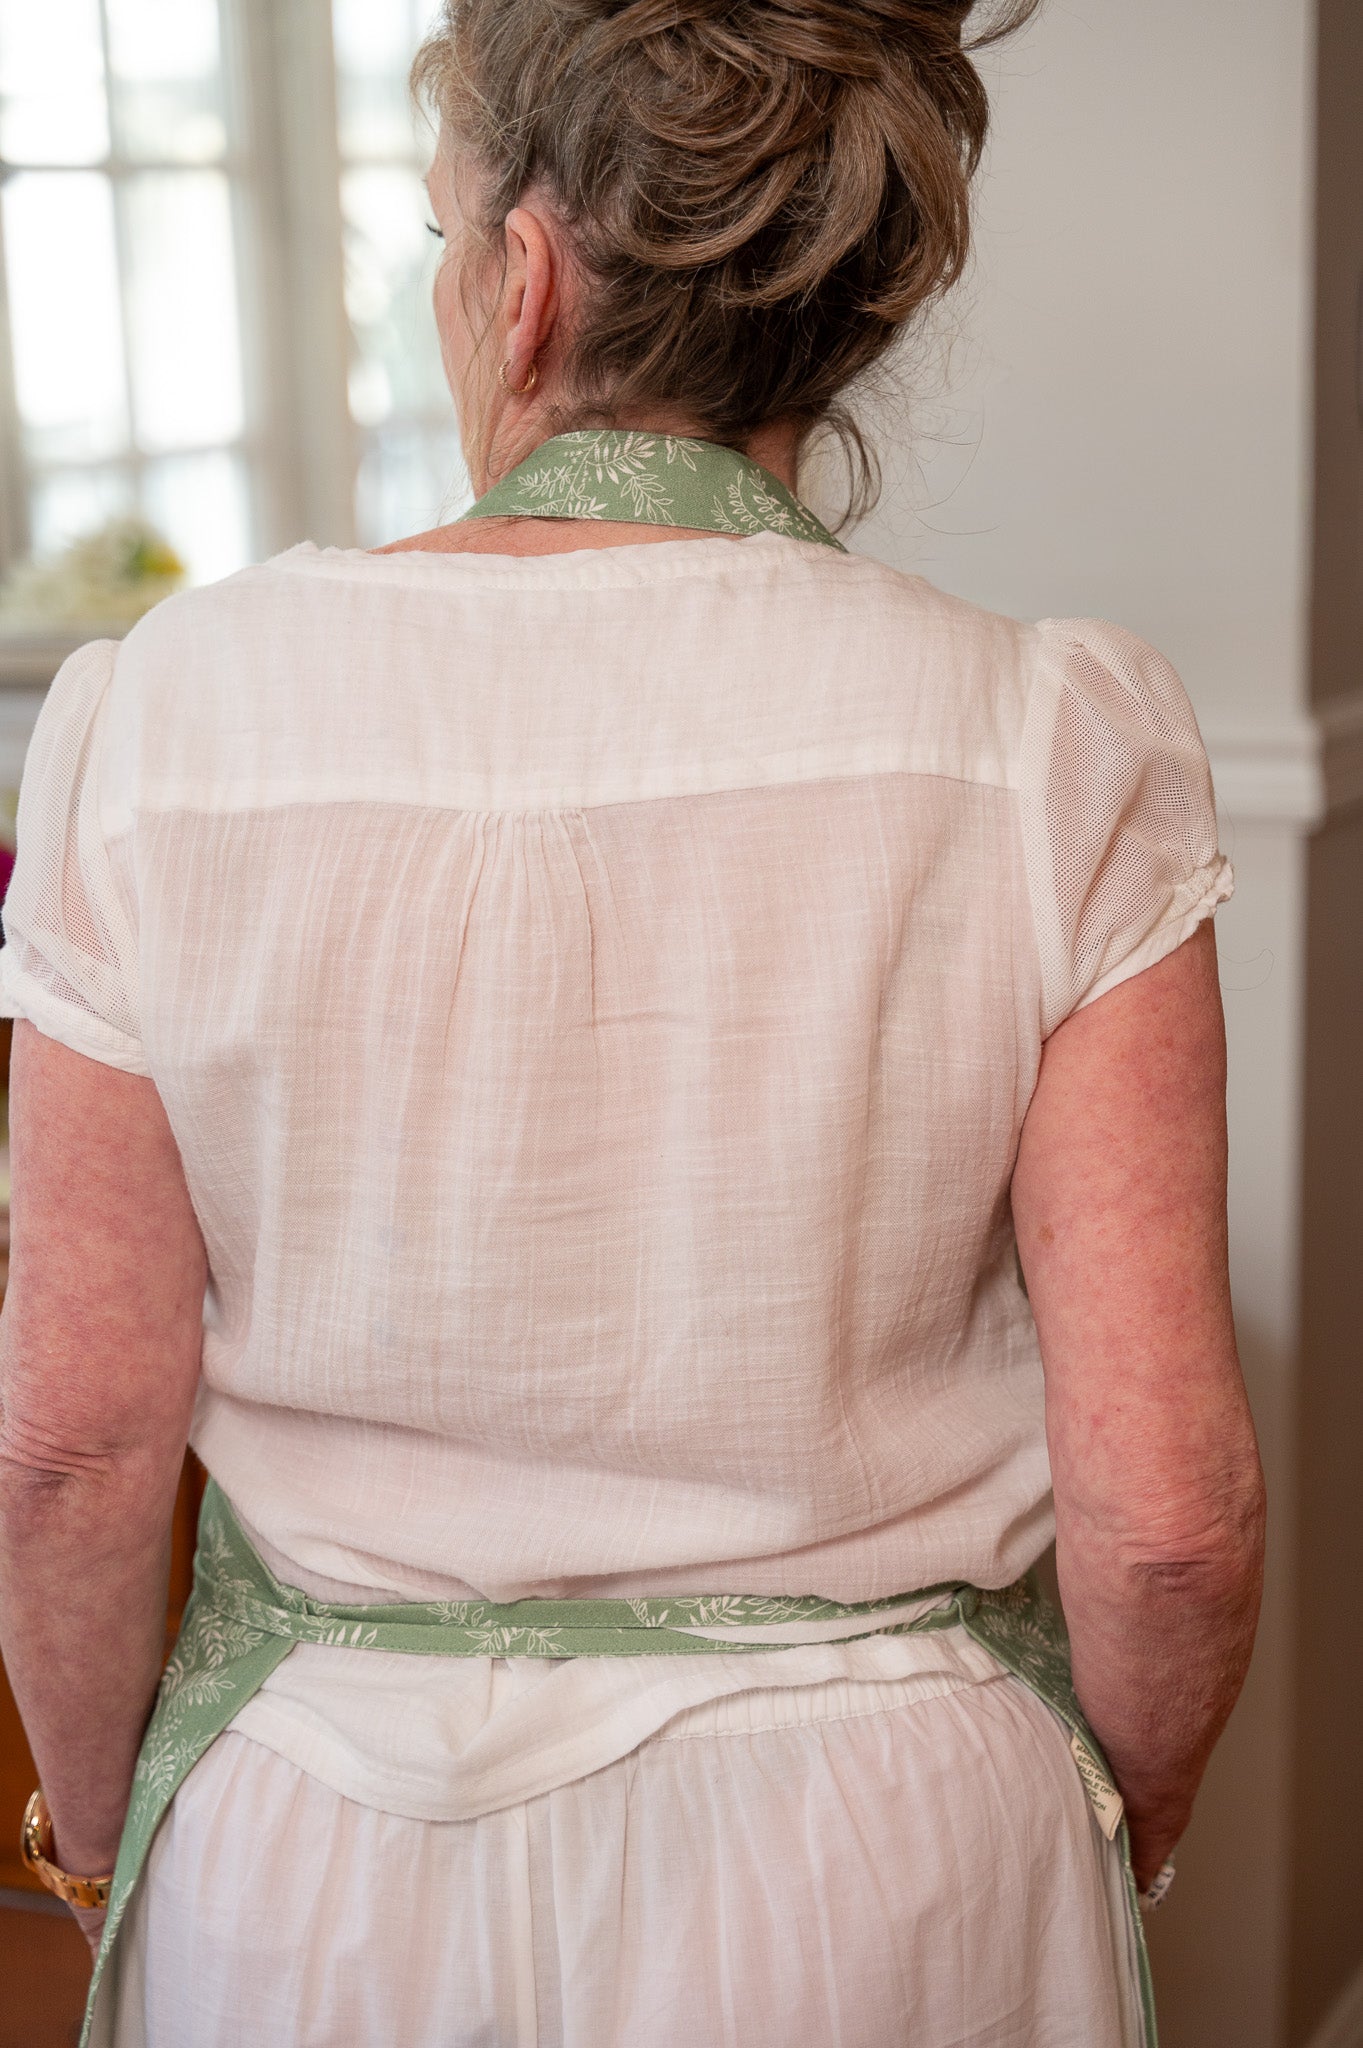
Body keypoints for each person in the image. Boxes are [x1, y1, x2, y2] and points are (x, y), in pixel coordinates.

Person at [0, 1, 1265, 2043]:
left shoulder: (161, 717)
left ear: (523, 281)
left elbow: (69, 1448)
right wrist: (1111, 1831)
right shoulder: (1055, 739)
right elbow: (1173, 1529)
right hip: (896, 1859)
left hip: (327, 1862)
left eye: (439, 239)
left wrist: (91, 1847)